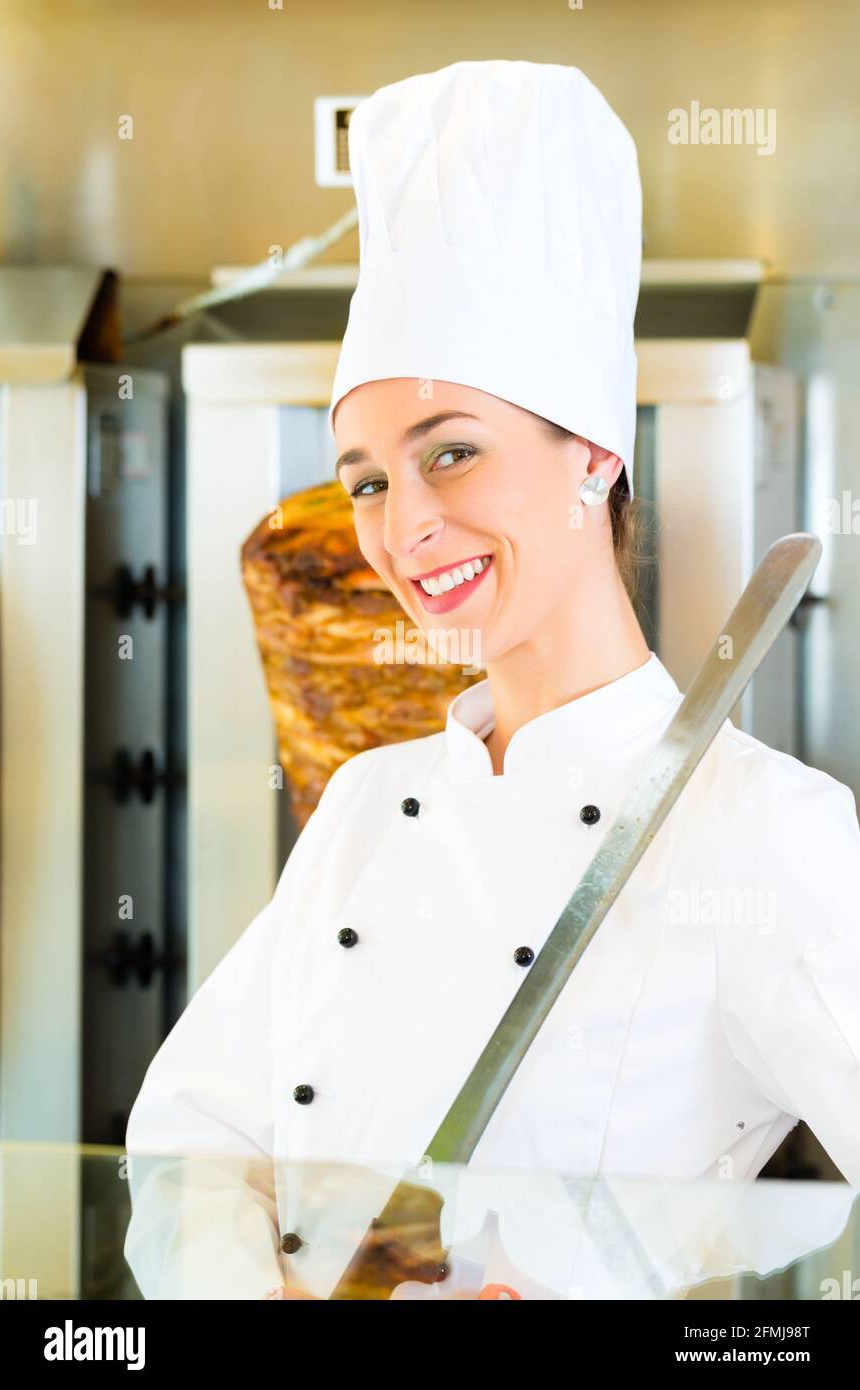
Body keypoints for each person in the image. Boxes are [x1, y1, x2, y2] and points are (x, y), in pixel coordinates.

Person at [124, 59, 860, 1301]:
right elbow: (188, 1145)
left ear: (590, 456)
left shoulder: (759, 830)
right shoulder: (364, 803)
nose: (402, 525)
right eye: (364, 478)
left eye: (450, 452)